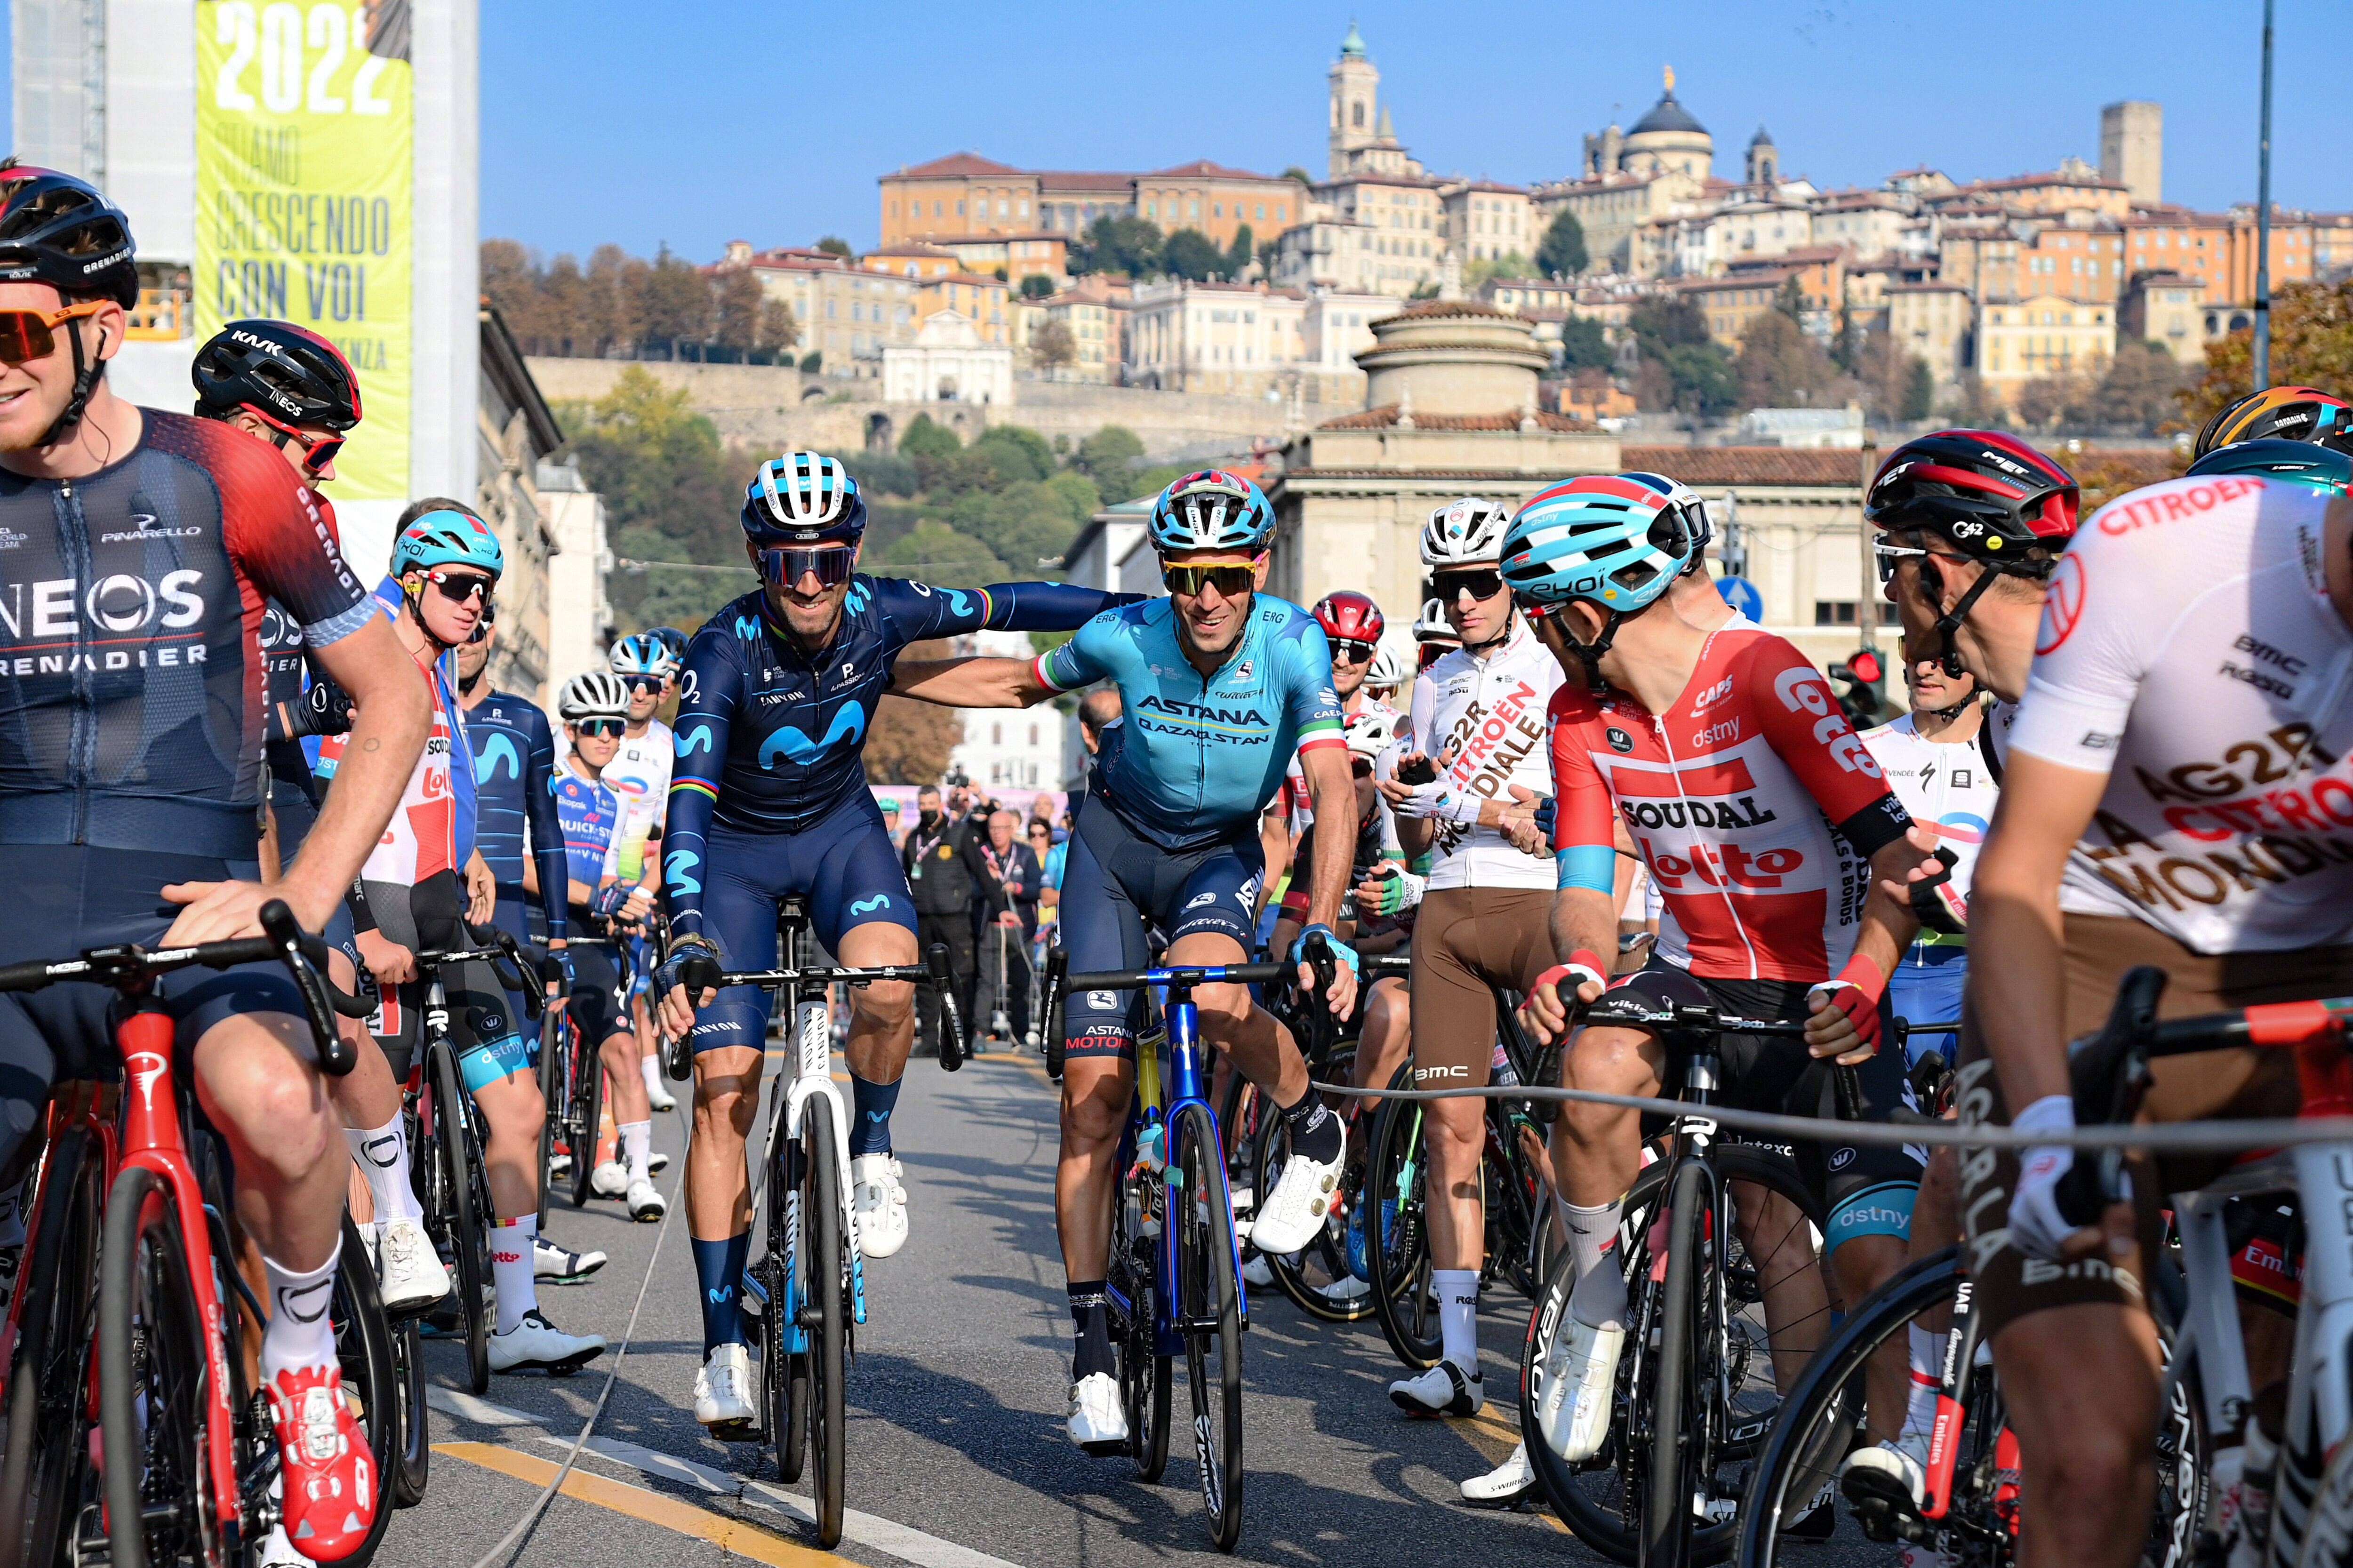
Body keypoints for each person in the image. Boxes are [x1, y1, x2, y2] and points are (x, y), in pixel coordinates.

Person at [0, 164, 435, 1566]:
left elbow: (393, 696)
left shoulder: (224, 474)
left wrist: (300, 899)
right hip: (14, 905)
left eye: (12, 331)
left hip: (195, 896)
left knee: (278, 1106)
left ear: (96, 329)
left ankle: (302, 1361)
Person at [882, 468, 1362, 1452]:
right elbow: (1013, 682)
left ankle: (1312, 1124)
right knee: (1091, 1101)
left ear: (1257, 570)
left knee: (1215, 995)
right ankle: (1093, 1345)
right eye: (1187, 577)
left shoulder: (1292, 642)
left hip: (1218, 855)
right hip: (1111, 852)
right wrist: (880, 673)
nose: (1207, 599)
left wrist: (1323, 914)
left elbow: (1330, 783)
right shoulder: (1125, 634)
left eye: (1227, 576)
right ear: (1167, 576)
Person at [1937, 436, 2353, 1568]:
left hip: (2313, 1000)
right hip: (2085, 979)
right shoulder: (2167, 554)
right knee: (2089, 1457)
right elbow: (2016, 878)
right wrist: (2040, 1132)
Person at [650, 451, 1128, 1430]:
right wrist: (686, 926)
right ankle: (718, 1347)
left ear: (854, 552)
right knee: (722, 1086)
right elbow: (688, 806)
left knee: (889, 983)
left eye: (828, 558)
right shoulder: (719, 653)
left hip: (839, 839)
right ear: (758, 562)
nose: (812, 582)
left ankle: (871, 1145)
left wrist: (1134, 608)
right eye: (788, 563)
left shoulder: (884, 611)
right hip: (733, 863)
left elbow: (1013, 599)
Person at [1509, 472, 1937, 1485]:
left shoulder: (1760, 675)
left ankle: (1848, 1459)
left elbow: (1900, 861)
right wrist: (1575, 960)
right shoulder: (1578, 717)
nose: (1539, 642)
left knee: (1854, 1254)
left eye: (1539, 620)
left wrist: (1867, 984)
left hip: (1823, 994)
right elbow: (1584, 885)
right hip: (1693, 975)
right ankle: (1598, 1308)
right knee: (1595, 1057)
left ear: (1580, 611)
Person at [316, 510, 609, 1379]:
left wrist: (475, 851)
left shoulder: (438, 662)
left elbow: (430, 780)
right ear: (410, 576)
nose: (475, 604)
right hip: (380, 909)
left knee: (517, 1108)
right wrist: (358, 925)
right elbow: (336, 801)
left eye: (485, 589)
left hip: (449, 911)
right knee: (373, 1124)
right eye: (456, 586)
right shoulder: (365, 648)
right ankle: (356, 1315)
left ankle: (515, 1313)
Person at [1373, 496, 1560, 1419]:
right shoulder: (1431, 677)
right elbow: (1411, 801)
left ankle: (1582, 1340)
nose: (1465, 600)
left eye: (1481, 583)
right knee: (1451, 1127)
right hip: (1448, 901)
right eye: (1448, 587)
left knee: (1574, 1128)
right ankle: (1456, 1358)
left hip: (1543, 904)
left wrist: (1500, 802)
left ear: (1513, 582)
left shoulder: (1558, 662)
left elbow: (1571, 793)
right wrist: (1481, 806)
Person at [453, 608, 610, 1283]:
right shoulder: (402, 697)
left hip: (510, 916)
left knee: (514, 1093)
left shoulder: (523, 720)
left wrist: (557, 936)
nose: (468, 636)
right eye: (460, 618)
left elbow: (546, 832)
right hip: (420, 904)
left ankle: (518, 1238)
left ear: (493, 634)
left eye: (482, 623)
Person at [546, 672, 665, 1224]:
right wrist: (597, 895)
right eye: (593, 727)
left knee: (621, 1047)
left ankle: (638, 1175)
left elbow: (619, 871)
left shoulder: (616, 800)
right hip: (542, 926)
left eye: (614, 729)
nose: (606, 738)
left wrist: (631, 900)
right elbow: (524, 866)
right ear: (571, 729)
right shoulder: (545, 782)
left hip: (594, 933)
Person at [1861, 648, 1994, 1049]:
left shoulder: (2011, 755)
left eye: (1941, 657)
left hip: (1983, 970)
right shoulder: (1864, 750)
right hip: (1885, 964)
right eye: (1914, 652)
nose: (1922, 668)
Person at [1260, 590, 1394, 915]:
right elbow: (1276, 840)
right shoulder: (1281, 730)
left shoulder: (1397, 727)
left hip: (1377, 893)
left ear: (1373, 656)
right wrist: (1252, 914)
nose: (1342, 660)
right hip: (1308, 884)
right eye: (1331, 646)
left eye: (1358, 650)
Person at [604, 632, 679, 1117]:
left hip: (633, 867)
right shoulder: (578, 728)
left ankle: (636, 1093)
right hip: (580, 862)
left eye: (649, 683)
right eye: (629, 680)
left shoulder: (669, 745)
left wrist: (645, 892)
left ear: (663, 689)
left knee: (627, 993)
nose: (638, 691)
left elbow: (674, 831)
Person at [904, 784, 981, 1056]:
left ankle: (960, 1041)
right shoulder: (913, 838)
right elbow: (905, 878)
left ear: (940, 804)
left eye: (931, 804)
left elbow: (981, 874)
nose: (927, 810)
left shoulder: (960, 833)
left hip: (955, 918)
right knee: (925, 980)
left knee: (960, 978)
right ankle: (928, 1041)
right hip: (924, 918)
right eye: (922, 805)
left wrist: (1001, 908)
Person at [974, 808, 1045, 1044]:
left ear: (1012, 830)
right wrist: (989, 881)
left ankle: (1021, 1033)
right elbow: (972, 888)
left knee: (1021, 982)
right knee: (987, 981)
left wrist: (1018, 888)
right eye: (993, 828)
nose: (997, 834)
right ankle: (981, 1031)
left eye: (1002, 828)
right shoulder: (982, 854)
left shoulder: (1025, 854)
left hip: (1020, 926)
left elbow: (1037, 889)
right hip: (991, 926)